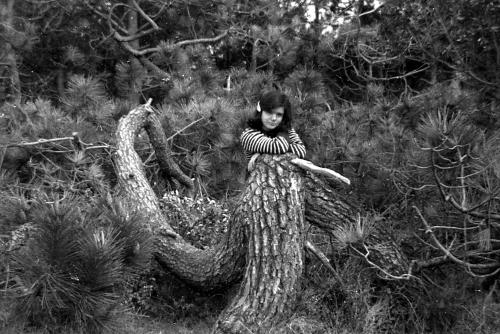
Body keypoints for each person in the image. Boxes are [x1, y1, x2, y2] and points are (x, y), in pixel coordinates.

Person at [240, 91, 306, 160]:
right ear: (260, 111)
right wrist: (289, 146)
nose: (274, 118)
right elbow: (280, 145)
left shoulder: (287, 129)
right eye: (269, 113)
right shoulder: (248, 135)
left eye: (279, 114)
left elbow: (301, 151)